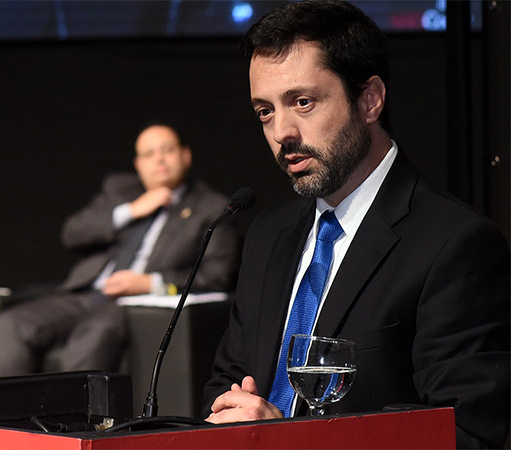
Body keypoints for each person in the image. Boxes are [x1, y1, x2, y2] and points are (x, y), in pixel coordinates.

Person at [202, 1, 510, 448]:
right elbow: (227, 385)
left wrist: (285, 441)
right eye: (265, 111)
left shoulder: (454, 244)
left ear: (370, 100)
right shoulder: (269, 235)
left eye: (302, 102)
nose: (281, 131)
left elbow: (465, 435)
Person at [0, 123, 242, 376]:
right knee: (12, 323)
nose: (159, 159)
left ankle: (76, 419)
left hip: (134, 303)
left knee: (91, 337)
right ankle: (0, 416)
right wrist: (131, 210)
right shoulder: (121, 190)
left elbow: (218, 274)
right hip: (87, 294)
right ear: (138, 164)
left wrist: (149, 282)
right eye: (149, 154)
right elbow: (73, 233)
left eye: (168, 150)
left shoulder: (211, 207)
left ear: (185, 156)